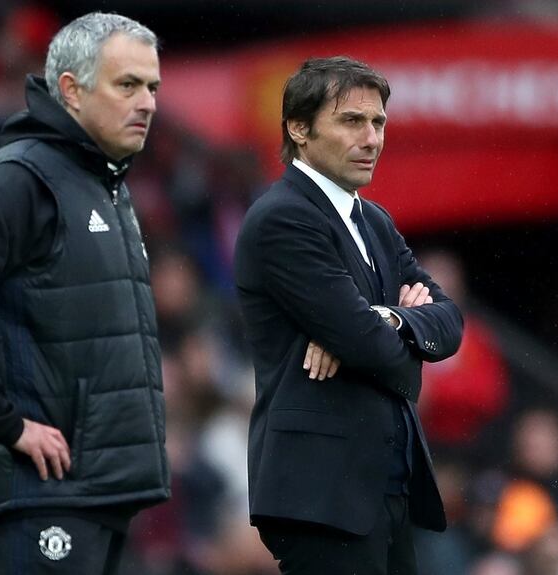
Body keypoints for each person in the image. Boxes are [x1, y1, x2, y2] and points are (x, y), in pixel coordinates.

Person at [0, 12, 169, 574]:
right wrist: (3, 423)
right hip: (48, 492)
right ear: (71, 90)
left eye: (152, 86)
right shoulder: (22, 176)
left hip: (99, 493)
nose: (147, 102)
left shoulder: (106, 184)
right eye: (127, 85)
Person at [234, 56, 464, 575]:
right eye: (352, 121)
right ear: (299, 127)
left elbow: (449, 322)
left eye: (378, 122)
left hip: (384, 485)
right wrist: (380, 334)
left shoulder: (373, 219)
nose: (372, 138)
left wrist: (387, 319)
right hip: (321, 493)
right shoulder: (283, 218)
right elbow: (372, 349)